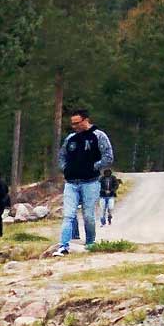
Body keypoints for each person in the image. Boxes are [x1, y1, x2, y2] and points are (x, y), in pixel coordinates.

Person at [55, 107, 115, 255]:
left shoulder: (98, 136)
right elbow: (61, 156)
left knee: (88, 214)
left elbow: (108, 156)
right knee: (68, 215)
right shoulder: (70, 139)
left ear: (86, 120)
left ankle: (90, 243)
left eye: (77, 123)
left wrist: (95, 166)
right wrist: (65, 168)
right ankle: (63, 245)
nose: (74, 126)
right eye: (72, 124)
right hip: (71, 183)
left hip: (90, 182)